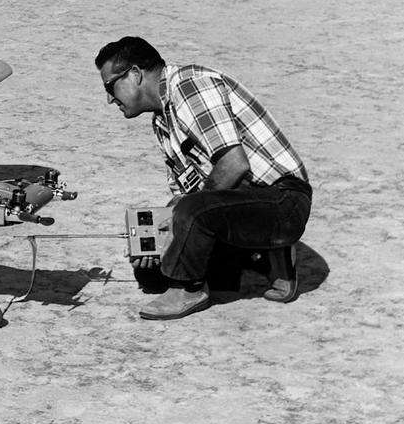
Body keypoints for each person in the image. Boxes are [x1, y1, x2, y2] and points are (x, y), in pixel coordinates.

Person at [95, 37, 312, 321]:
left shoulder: (189, 86)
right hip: (236, 206)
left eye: (110, 87)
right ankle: (267, 255)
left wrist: (181, 218)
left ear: (135, 74)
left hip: (281, 201)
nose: (110, 99)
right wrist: (158, 236)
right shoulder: (162, 121)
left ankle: (190, 289)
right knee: (151, 273)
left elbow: (234, 166)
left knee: (191, 213)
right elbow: (185, 195)